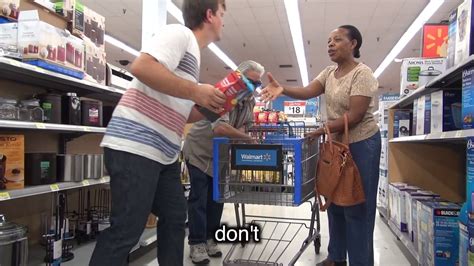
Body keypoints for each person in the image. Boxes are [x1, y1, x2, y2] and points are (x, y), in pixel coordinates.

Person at [89, 1, 227, 265]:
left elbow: (182, 114)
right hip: (136, 145)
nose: (223, 21)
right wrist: (196, 91)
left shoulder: (193, 57)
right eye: (222, 15)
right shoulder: (180, 34)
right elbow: (141, 67)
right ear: (209, 15)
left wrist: (214, 109)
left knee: (175, 216)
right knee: (127, 229)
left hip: (163, 155)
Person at [260, 25, 381, 266]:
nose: (330, 45)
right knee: (334, 201)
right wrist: (284, 89)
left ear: (353, 43)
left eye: (337, 40)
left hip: (362, 145)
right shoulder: (329, 72)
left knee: (357, 207)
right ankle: (336, 257)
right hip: (336, 146)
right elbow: (307, 91)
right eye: (328, 41)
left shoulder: (362, 74)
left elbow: (355, 116)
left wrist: (322, 130)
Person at [183, 60, 265, 264]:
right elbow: (220, 128)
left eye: (256, 84)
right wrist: (246, 139)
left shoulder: (249, 101)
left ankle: (210, 238)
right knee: (199, 198)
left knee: (217, 199)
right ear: (239, 77)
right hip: (200, 151)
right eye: (249, 82)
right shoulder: (223, 95)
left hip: (220, 155)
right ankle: (196, 243)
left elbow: (246, 125)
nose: (252, 87)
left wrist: (243, 138)